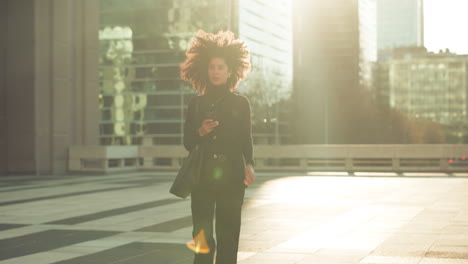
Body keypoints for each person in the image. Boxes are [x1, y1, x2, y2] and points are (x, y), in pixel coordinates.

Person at [180, 29, 255, 264]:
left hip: (232, 175)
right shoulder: (196, 103)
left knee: (228, 233)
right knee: (201, 234)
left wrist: (250, 164)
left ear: (230, 70)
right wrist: (201, 131)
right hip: (202, 176)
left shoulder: (241, 103)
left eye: (221, 67)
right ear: (206, 70)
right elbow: (187, 143)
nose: (216, 72)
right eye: (212, 67)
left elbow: (246, 137)